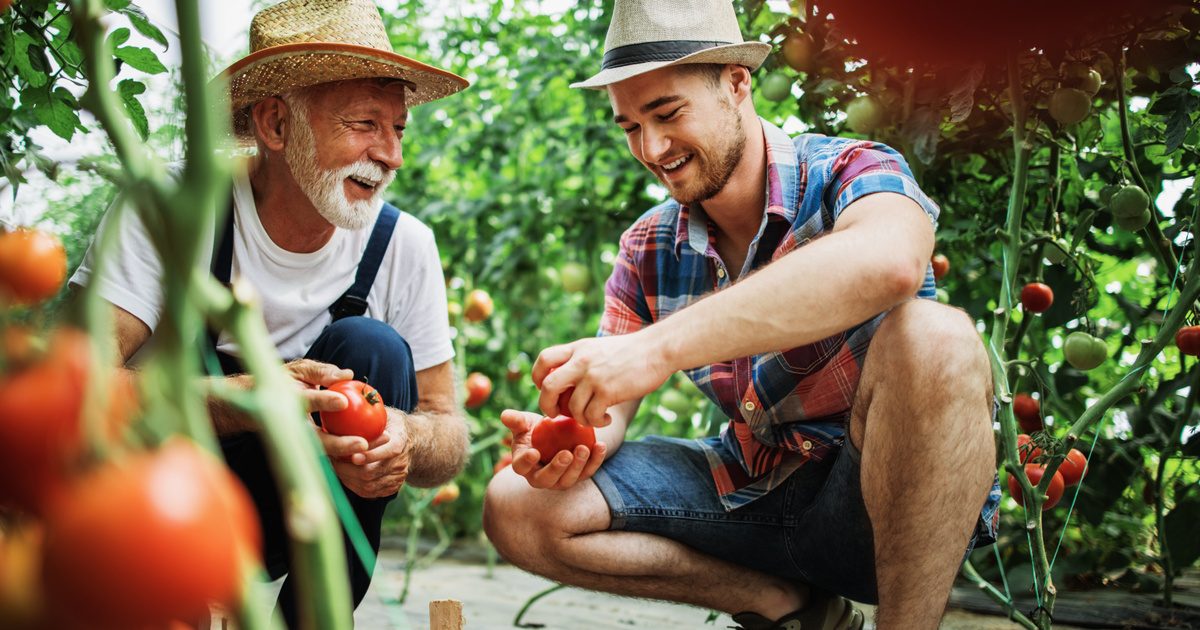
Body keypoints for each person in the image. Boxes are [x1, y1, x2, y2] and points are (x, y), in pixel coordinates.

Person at [482, 1, 1002, 628]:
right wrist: (569, 440)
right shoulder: (646, 247)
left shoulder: (853, 169)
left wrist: (654, 351)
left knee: (939, 336)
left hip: (878, 510)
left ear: (736, 82)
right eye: (629, 127)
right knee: (516, 501)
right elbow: (608, 412)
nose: (650, 147)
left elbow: (890, 262)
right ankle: (783, 607)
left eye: (667, 113)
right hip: (747, 495)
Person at [70, 0, 470, 625]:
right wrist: (244, 396)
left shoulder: (403, 245)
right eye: (365, 123)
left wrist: (404, 438)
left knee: (373, 348)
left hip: (298, 519)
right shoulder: (172, 209)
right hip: (163, 506)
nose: (391, 155)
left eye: (399, 129)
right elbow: (72, 387)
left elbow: (447, 432)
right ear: (275, 125)